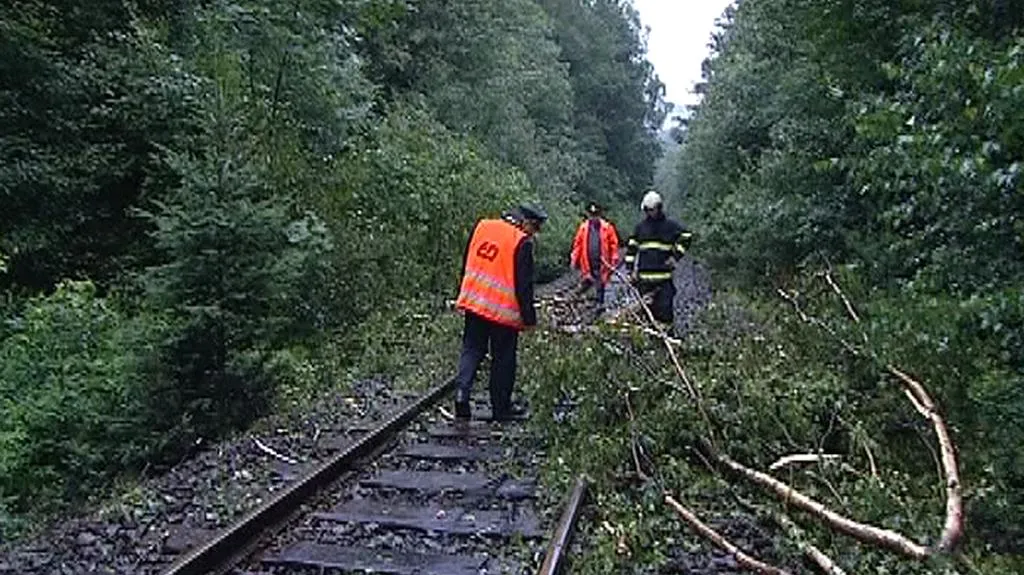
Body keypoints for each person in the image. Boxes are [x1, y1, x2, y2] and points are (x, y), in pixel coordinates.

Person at [453, 204, 547, 421]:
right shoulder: (521, 242)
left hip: (474, 301)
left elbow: (468, 259)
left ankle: (461, 394)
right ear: (525, 222)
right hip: (502, 312)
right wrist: (529, 319)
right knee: (503, 360)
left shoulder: (483, 226)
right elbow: (524, 286)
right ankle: (500, 408)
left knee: (472, 349)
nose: (535, 233)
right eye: (535, 227)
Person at [624, 191, 693, 325]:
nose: (650, 213)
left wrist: (675, 257)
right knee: (646, 317)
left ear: (659, 208)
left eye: (652, 209)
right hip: (644, 282)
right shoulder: (640, 228)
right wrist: (630, 271)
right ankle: (648, 342)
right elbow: (631, 251)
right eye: (648, 210)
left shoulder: (670, 226)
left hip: (663, 282)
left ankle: (666, 342)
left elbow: (687, 237)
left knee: (665, 316)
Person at [570, 202, 620, 313]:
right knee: (586, 281)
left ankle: (599, 304)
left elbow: (614, 244)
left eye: (596, 215)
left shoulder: (607, 227)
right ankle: (578, 300)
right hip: (587, 262)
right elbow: (577, 244)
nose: (593, 217)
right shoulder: (583, 228)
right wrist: (574, 258)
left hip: (602, 262)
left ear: (600, 214)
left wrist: (614, 259)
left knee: (600, 283)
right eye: (591, 215)